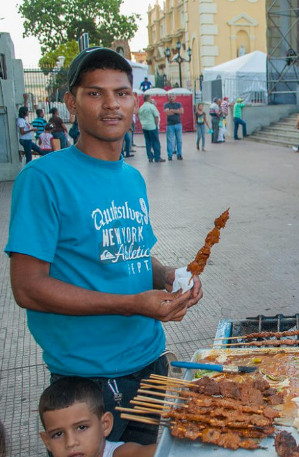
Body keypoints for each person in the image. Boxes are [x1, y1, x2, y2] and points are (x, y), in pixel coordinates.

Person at [5, 46, 203, 445]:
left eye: (122, 92)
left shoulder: (131, 179)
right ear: (71, 104)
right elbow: (27, 288)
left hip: (150, 363)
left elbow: (132, 254)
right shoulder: (43, 179)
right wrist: (131, 304)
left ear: (134, 101)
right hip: (87, 381)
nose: (111, 104)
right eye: (95, 93)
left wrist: (166, 276)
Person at [39, 377, 156, 457]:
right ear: (46, 441)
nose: (70, 443)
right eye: (58, 434)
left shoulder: (117, 453)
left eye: (81, 427)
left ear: (105, 424)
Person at [138, 95, 163, 163]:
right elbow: (156, 116)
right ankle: (157, 157)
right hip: (152, 126)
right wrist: (156, 125)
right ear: (148, 99)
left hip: (144, 126)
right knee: (155, 142)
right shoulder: (151, 106)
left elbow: (139, 116)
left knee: (148, 142)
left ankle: (150, 157)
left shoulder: (141, 107)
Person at [164, 93, 184, 160]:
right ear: (168, 98)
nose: (171, 98)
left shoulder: (178, 104)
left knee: (179, 140)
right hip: (170, 125)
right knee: (170, 140)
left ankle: (179, 154)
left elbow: (182, 111)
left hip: (178, 124)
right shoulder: (166, 105)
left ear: (175, 97)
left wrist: (172, 110)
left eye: (173, 97)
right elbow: (167, 113)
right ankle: (170, 155)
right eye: (170, 97)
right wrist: (177, 111)